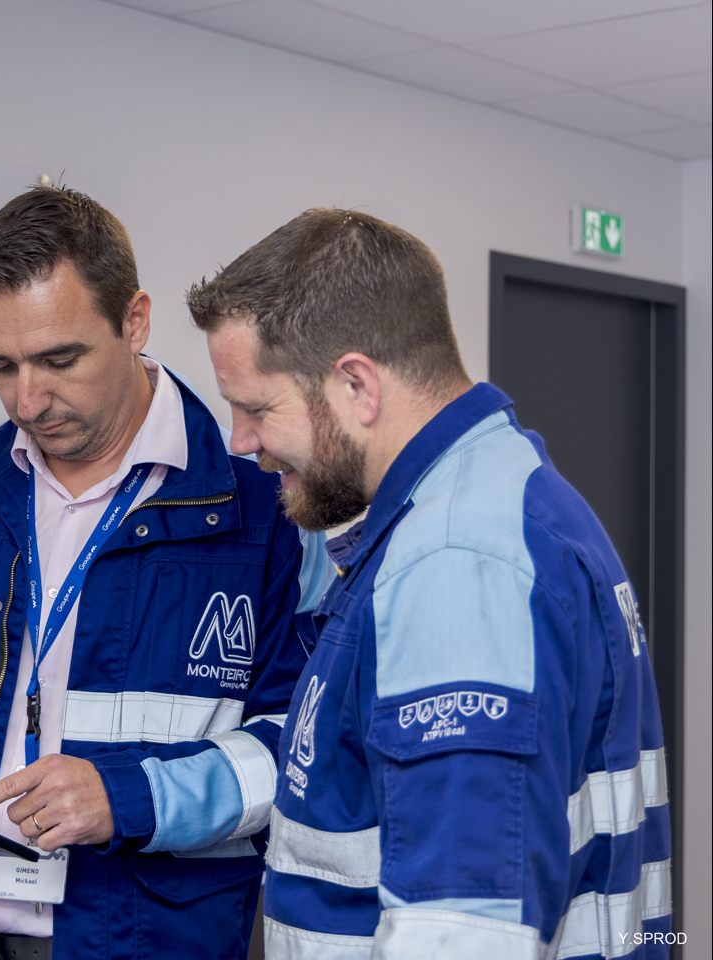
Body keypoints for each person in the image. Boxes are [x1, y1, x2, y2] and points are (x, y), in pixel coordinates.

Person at [0, 186, 333, 960]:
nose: (28, 399)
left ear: (135, 321)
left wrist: (131, 796)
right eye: (0, 365)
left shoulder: (266, 510)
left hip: (151, 941)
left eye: (59, 360)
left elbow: (305, 745)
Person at [189, 208, 673, 959]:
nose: (241, 441)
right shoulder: (501, 495)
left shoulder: (457, 560)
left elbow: (463, 932)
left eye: (256, 407)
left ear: (357, 385)